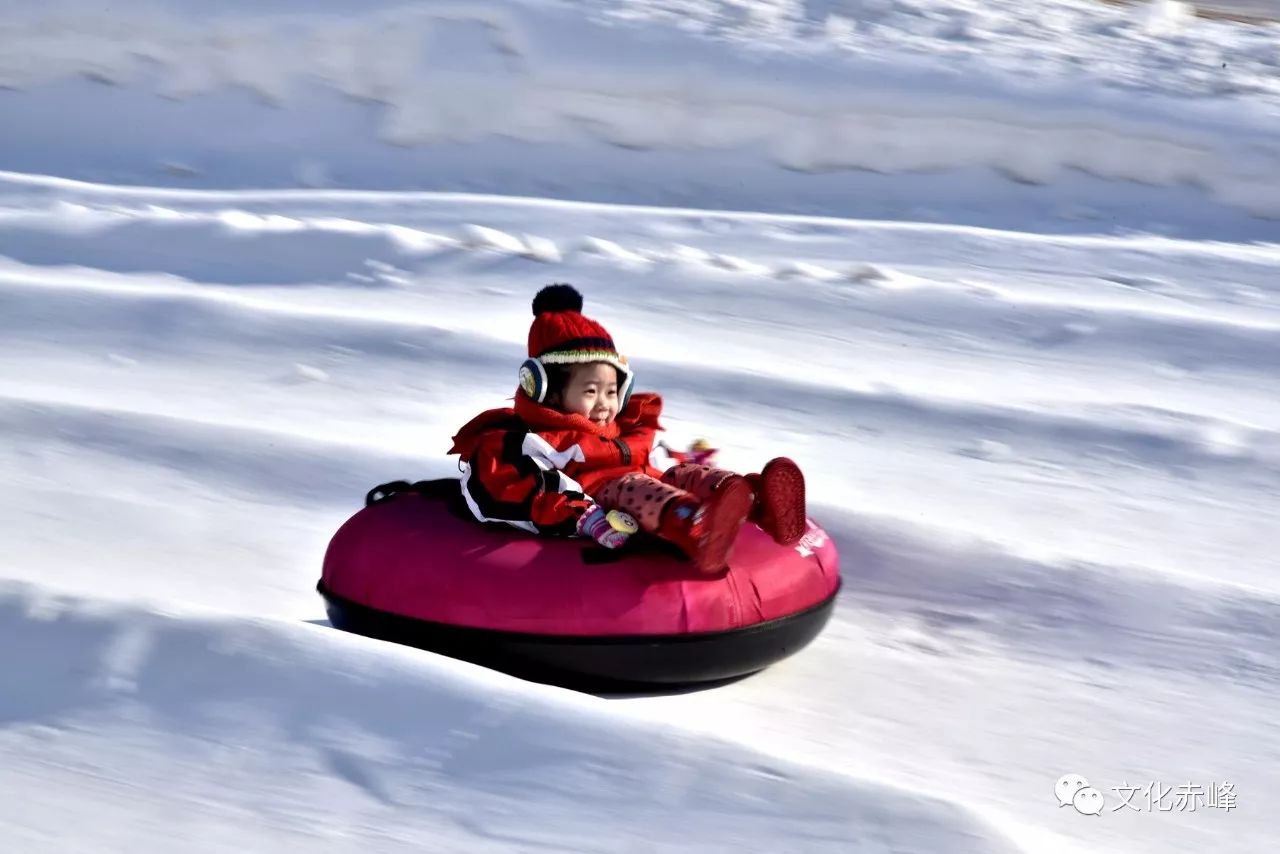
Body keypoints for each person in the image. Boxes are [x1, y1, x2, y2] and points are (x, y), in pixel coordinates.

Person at [447, 283, 806, 574]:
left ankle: (754, 499)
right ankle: (694, 527)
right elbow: (510, 490)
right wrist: (581, 516)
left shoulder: (622, 427)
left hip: (645, 477)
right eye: (590, 391)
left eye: (612, 390)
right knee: (635, 486)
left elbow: (654, 458)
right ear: (548, 391)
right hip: (604, 494)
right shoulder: (531, 441)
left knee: (680, 473)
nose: (605, 403)